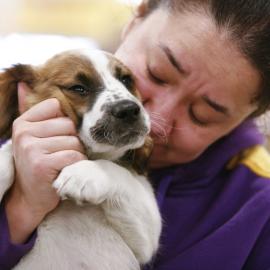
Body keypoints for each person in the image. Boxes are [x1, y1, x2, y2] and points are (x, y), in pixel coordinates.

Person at [1, 0, 270, 269]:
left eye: (202, 114)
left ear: (247, 118)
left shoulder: (259, 211)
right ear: (136, 19)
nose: (153, 120)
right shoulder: (21, 112)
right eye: (157, 74)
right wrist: (20, 210)